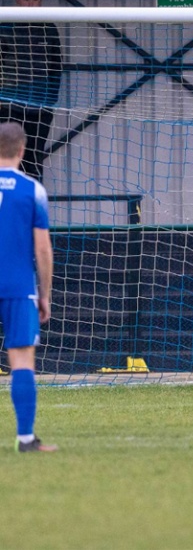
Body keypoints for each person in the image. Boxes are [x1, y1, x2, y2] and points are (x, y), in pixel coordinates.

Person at [0, 122, 56, 452]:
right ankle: (25, 439)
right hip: (19, 286)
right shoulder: (32, 190)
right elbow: (43, 249)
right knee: (21, 361)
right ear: (22, 150)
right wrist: (45, 293)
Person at [0, 0, 63, 181]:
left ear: (40, 1)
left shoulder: (48, 29)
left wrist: (49, 100)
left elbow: (56, 67)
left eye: (35, 0)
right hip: (9, 105)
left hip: (40, 107)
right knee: (8, 157)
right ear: (18, 0)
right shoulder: (5, 27)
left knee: (34, 159)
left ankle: (33, 205)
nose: (30, 4)